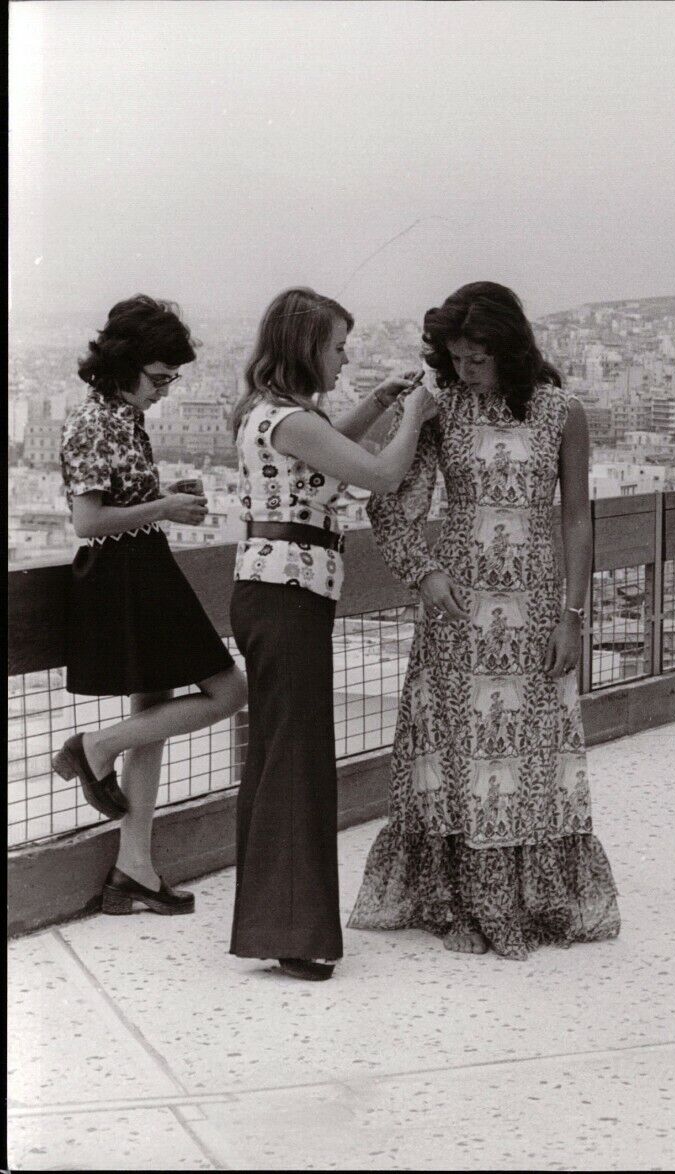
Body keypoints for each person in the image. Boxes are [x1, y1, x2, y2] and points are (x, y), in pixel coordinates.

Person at [348, 281, 621, 959]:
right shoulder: (442, 412)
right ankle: (462, 899)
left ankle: (528, 899)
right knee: (459, 756)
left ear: (509, 349)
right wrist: (423, 571)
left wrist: (574, 617)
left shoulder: (563, 413)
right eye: (457, 359)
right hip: (456, 612)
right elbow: (387, 503)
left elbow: (576, 518)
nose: (465, 371)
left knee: (529, 757)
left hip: (535, 612)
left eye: (477, 359)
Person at [227, 287, 435, 982]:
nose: (344, 358)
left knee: (282, 756)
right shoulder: (292, 420)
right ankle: (292, 930)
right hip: (288, 597)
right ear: (307, 345)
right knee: (298, 762)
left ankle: (277, 922)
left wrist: (376, 404)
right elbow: (377, 474)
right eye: (338, 346)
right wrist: (412, 416)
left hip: (272, 591)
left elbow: (328, 448)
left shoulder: (272, 413)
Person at [52, 296, 248, 916]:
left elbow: (112, 505)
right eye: (160, 378)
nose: (165, 391)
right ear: (126, 365)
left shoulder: (120, 415)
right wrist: (163, 508)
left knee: (155, 719)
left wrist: (161, 500)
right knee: (229, 690)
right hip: (126, 573)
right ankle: (95, 748)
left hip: (142, 568)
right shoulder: (94, 423)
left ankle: (134, 869)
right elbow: (87, 521)